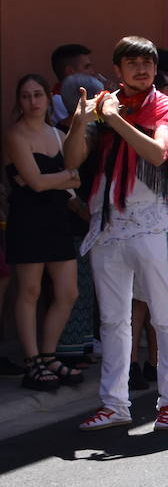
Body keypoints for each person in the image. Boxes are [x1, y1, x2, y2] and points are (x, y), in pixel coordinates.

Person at [65, 36, 168, 431]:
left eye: (147, 63)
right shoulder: (102, 106)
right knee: (114, 321)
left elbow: (158, 153)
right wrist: (79, 123)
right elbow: (71, 163)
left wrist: (114, 119)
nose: (141, 69)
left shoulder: (166, 106)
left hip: (151, 222)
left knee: (164, 315)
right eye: (132, 63)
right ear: (117, 69)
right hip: (107, 224)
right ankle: (114, 403)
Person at [5, 74, 83, 390]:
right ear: (18, 101)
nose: (33, 101)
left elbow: (76, 182)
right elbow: (36, 182)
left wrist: (57, 179)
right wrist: (63, 177)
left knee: (68, 293)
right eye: (26, 96)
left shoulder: (57, 134)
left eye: (38, 94)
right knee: (30, 292)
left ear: (48, 99)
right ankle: (33, 361)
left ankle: (49, 354)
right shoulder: (15, 135)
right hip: (27, 221)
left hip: (57, 219)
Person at [48, 44, 95, 126]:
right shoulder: (58, 100)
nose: (92, 72)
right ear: (70, 71)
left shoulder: (83, 95)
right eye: (86, 67)